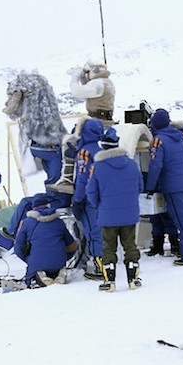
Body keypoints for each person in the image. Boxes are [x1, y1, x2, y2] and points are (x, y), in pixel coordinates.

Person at [87, 128, 144, 292]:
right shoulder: (132, 164)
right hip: (130, 214)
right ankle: (133, 278)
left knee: (108, 247)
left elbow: (91, 192)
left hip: (108, 214)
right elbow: (140, 187)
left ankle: (110, 281)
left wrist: (99, 205)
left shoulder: (97, 167)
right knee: (130, 245)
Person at [146, 109, 183, 266]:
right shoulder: (179, 136)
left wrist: (150, 187)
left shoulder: (158, 140)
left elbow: (156, 165)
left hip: (171, 186)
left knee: (181, 220)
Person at [13, 194, 77, 287]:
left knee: (32, 274)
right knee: (53, 262)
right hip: (59, 261)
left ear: (33, 207)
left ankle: (40, 275)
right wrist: (65, 257)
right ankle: (59, 272)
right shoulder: (58, 221)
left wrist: (29, 260)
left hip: (36, 261)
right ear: (47, 205)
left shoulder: (26, 222)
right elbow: (72, 245)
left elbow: (18, 249)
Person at [71, 117, 105, 279]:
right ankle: (105, 263)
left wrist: (77, 200)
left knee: (93, 232)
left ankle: (99, 266)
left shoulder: (85, 152)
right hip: (102, 197)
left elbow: (83, 178)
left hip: (88, 199)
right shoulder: (101, 149)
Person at [69, 62, 116, 126]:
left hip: (97, 123)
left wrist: (75, 76)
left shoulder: (97, 83)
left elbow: (76, 92)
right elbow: (90, 91)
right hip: (105, 120)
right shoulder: (107, 82)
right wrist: (82, 78)